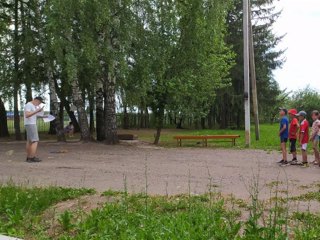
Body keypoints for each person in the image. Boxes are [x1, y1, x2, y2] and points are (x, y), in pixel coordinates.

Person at [24, 96, 45, 163]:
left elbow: (33, 115)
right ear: (35, 100)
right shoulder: (29, 105)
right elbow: (27, 115)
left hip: (30, 124)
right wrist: (37, 111)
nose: (39, 104)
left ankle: (29, 157)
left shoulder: (31, 105)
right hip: (31, 124)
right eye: (39, 102)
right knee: (35, 141)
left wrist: (44, 116)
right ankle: (31, 157)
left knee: (30, 141)